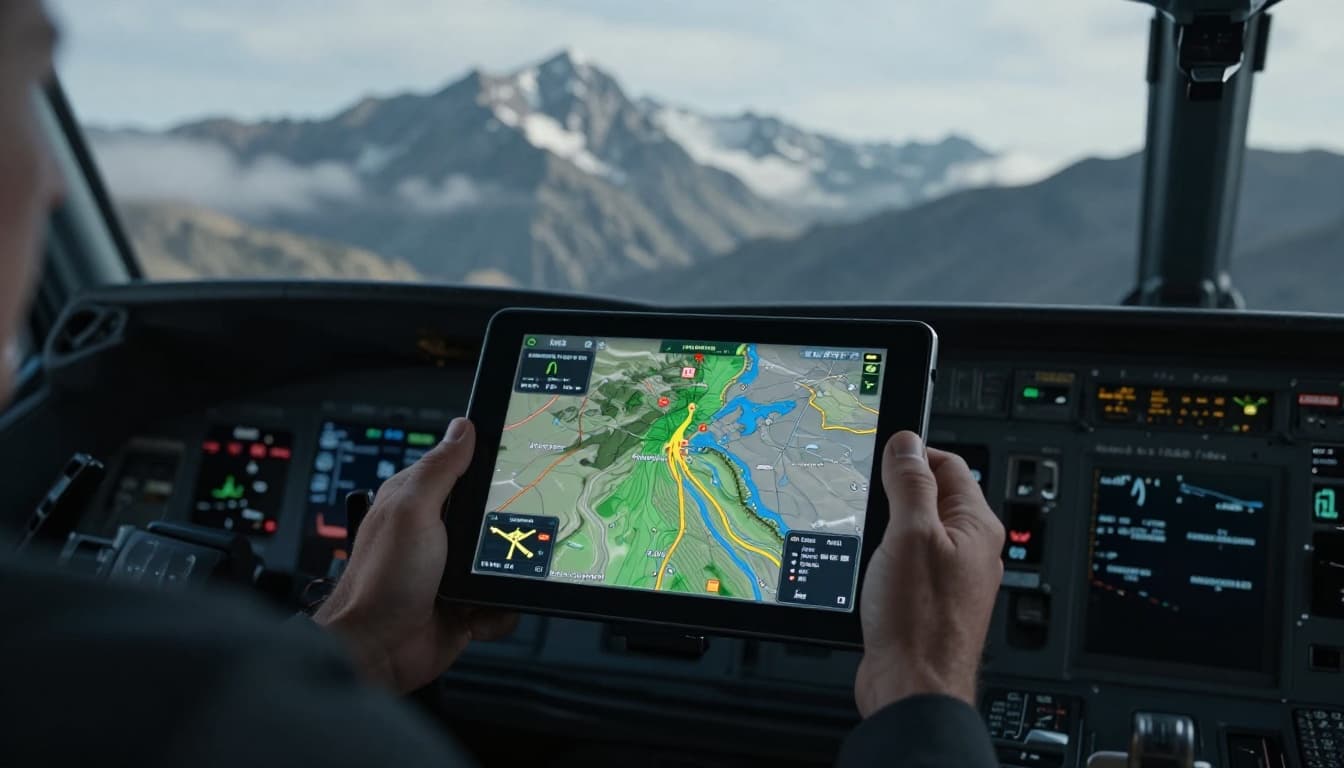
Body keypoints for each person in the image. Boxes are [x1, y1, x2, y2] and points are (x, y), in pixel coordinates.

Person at [0, 2, 1006, 765]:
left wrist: (359, 644)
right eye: (24, 104)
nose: (50, 180)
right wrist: (923, 684)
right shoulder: (223, 711)